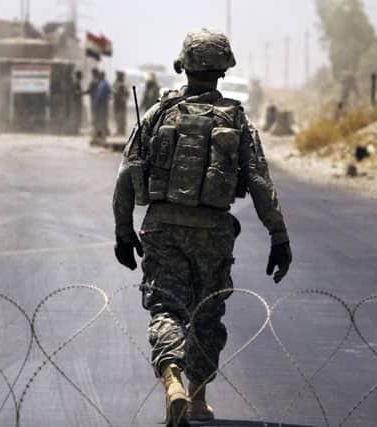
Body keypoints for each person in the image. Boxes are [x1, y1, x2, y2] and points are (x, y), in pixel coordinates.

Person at [112, 28, 292, 427]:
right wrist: (278, 236)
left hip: (162, 227)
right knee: (207, 314)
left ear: (183, 66)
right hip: (213, 231)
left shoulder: (159, 113)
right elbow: (260, 182)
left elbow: (127, 174)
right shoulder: (236, 119)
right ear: (224, 70)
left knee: (165, 307)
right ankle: (197, 399)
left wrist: (123, 230)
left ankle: (171, 378)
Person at [93, 71, 111, 139]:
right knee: (102, 118)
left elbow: (100, 95)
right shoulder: (103, 83)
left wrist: (96, 102)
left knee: (101, 118)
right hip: (102, 103)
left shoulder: (103, 84)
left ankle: (102, 133)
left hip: (101, 104)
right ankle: (103, 132)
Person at [113, 70, 129, 136]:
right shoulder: (116, 83)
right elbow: (113, 91)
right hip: (117, 103)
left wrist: (124, 98)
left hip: (121, 104)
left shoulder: (123, 84)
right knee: (117, 116)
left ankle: (122, 131)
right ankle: (119, 130)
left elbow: (127, 93)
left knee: (121, 117)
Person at [72, 70, 84, 135]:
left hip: (77, 102)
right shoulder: (76, 83)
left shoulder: (77, 82)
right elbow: (76, 92)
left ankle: (76, 130)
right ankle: (76, 130)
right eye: (81, 76)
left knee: (78, 116)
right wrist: (82, 93)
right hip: (77, 102)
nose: (82, 77)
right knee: (77, 115)